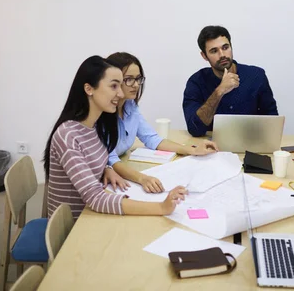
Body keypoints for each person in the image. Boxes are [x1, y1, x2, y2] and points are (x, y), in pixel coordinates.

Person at [44, 56, 187, 220]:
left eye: (120, 85)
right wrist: (162, 207)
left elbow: (89, 159)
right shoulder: (68, 135)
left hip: (92, 215)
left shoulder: (93, 126)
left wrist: (107, 168)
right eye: (114, 86)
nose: (120, 93)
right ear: (89, 89)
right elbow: (96, 199)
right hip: (75, 227)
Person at [101, 52, 219, 192]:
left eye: (138, 79)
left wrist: (192, 150)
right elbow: (111, 159)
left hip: (123, 166)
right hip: (106, 177)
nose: (136, 85)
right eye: (129, 79)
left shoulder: (130, 106)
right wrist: (142, 178)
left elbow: (152, 139)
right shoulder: (102, 112)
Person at [183, 25, 278, 137]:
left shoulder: (256, 76)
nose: (222, 55)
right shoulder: (196, 82)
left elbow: (272, 122)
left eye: (225, 47)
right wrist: (219, 91)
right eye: (214, 51)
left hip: (252, 145)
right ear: (204, 56)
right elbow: (195, 129)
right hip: (213, 148)